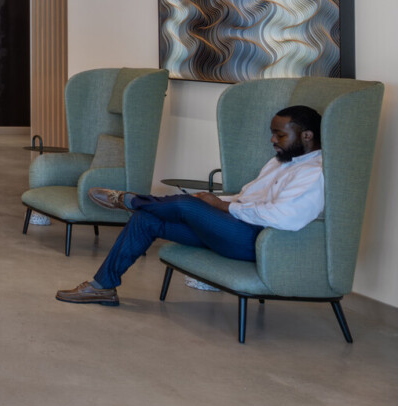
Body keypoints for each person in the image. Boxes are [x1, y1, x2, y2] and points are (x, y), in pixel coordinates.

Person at [56, 106, 324, 305]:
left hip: (255, 241)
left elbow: (285, 218)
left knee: (184, 205)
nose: (273, 141)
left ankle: (131, 200)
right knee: (146, 220)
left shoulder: (315, 172)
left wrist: (221, 207)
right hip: (230, 230)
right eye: (272, 134)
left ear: (307, 135)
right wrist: (214, 202)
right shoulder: (280, 162)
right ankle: (102, 286)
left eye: (279, 135)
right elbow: (246, 196)